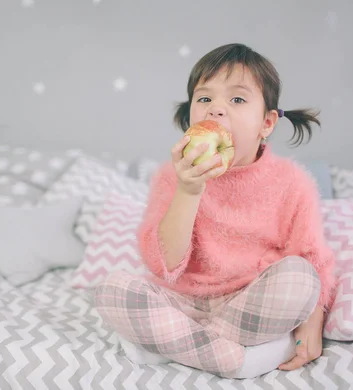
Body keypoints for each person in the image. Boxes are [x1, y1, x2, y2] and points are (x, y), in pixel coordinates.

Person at [94, 43, 336, 379]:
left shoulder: (292, 182)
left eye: (237, 99)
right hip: (182, 302)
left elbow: (312, 258)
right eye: (204, 98)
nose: (216, 110)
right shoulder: (172, 176)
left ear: (266, 123)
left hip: (249, 304)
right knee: (112, 290)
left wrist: (313, 320)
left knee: (300, 277)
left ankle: (173, 348)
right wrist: (188, 189)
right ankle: (234, 359)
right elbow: (164, 265)